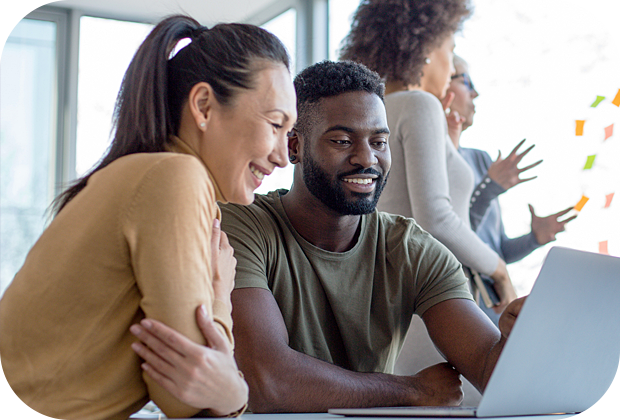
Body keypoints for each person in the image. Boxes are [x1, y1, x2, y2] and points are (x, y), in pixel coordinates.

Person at [130, 60, 526, 413]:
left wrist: (517, 339)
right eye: (342, 141)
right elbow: (268, 381)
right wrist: (413, 390)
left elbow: (492, 373)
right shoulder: (242, 226)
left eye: (379, 141)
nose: (367, 158)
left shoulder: (412, 250)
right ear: (294, 146)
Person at [0, 14, 296, 420]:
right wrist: (220, 289)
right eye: (275, 124)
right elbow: (186, 399)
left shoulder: (145, 175)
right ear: (204, 106)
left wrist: (228, 391)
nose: (282, 156)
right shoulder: (176, 177)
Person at [340, 0, 517, 313]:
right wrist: (499, 269)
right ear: (426, 45)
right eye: (450, 50)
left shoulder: (370, 111)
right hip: (437, 296)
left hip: (395, 293)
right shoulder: (419, 104)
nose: (450, 69)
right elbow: (436, 218)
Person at [446, 55, 577, 324]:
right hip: (463, 302)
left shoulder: (481, 159)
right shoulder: (433, 163)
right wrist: (490, 189)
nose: (475, 92)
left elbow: (498, 250)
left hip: (495, 304)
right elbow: (450, 233)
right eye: (466, 81)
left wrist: (533, 239)